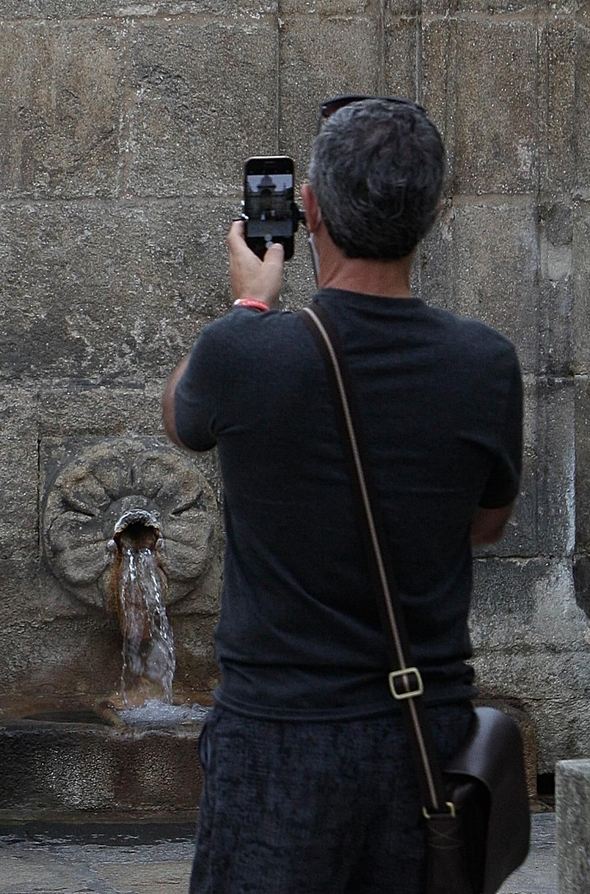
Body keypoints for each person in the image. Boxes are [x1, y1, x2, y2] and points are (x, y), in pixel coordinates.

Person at [163, 97, 524, 892]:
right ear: (431, 211)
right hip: (425, 728)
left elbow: (182, 419)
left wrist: (250, 301)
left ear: (312, 210)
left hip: (278, 737)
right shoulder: (485, 363)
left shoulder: (245, 350)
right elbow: (486, 525)